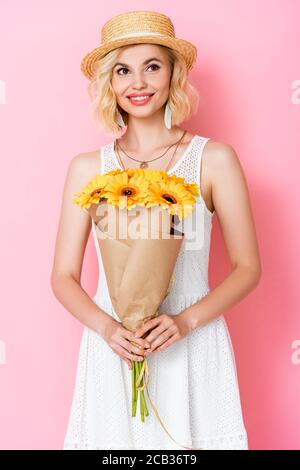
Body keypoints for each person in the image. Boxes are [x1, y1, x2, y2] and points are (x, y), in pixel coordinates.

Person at [51, 10, 261, 450]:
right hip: (114, 348)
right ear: (110, 83)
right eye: (123, 70)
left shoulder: (215, 159)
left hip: (193, 343)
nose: (138, 83)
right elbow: (63, 277)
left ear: (172, 74)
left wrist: (185, 322)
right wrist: (109, 330)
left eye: (152, 66)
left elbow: (247, 268)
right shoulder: (87, 168)